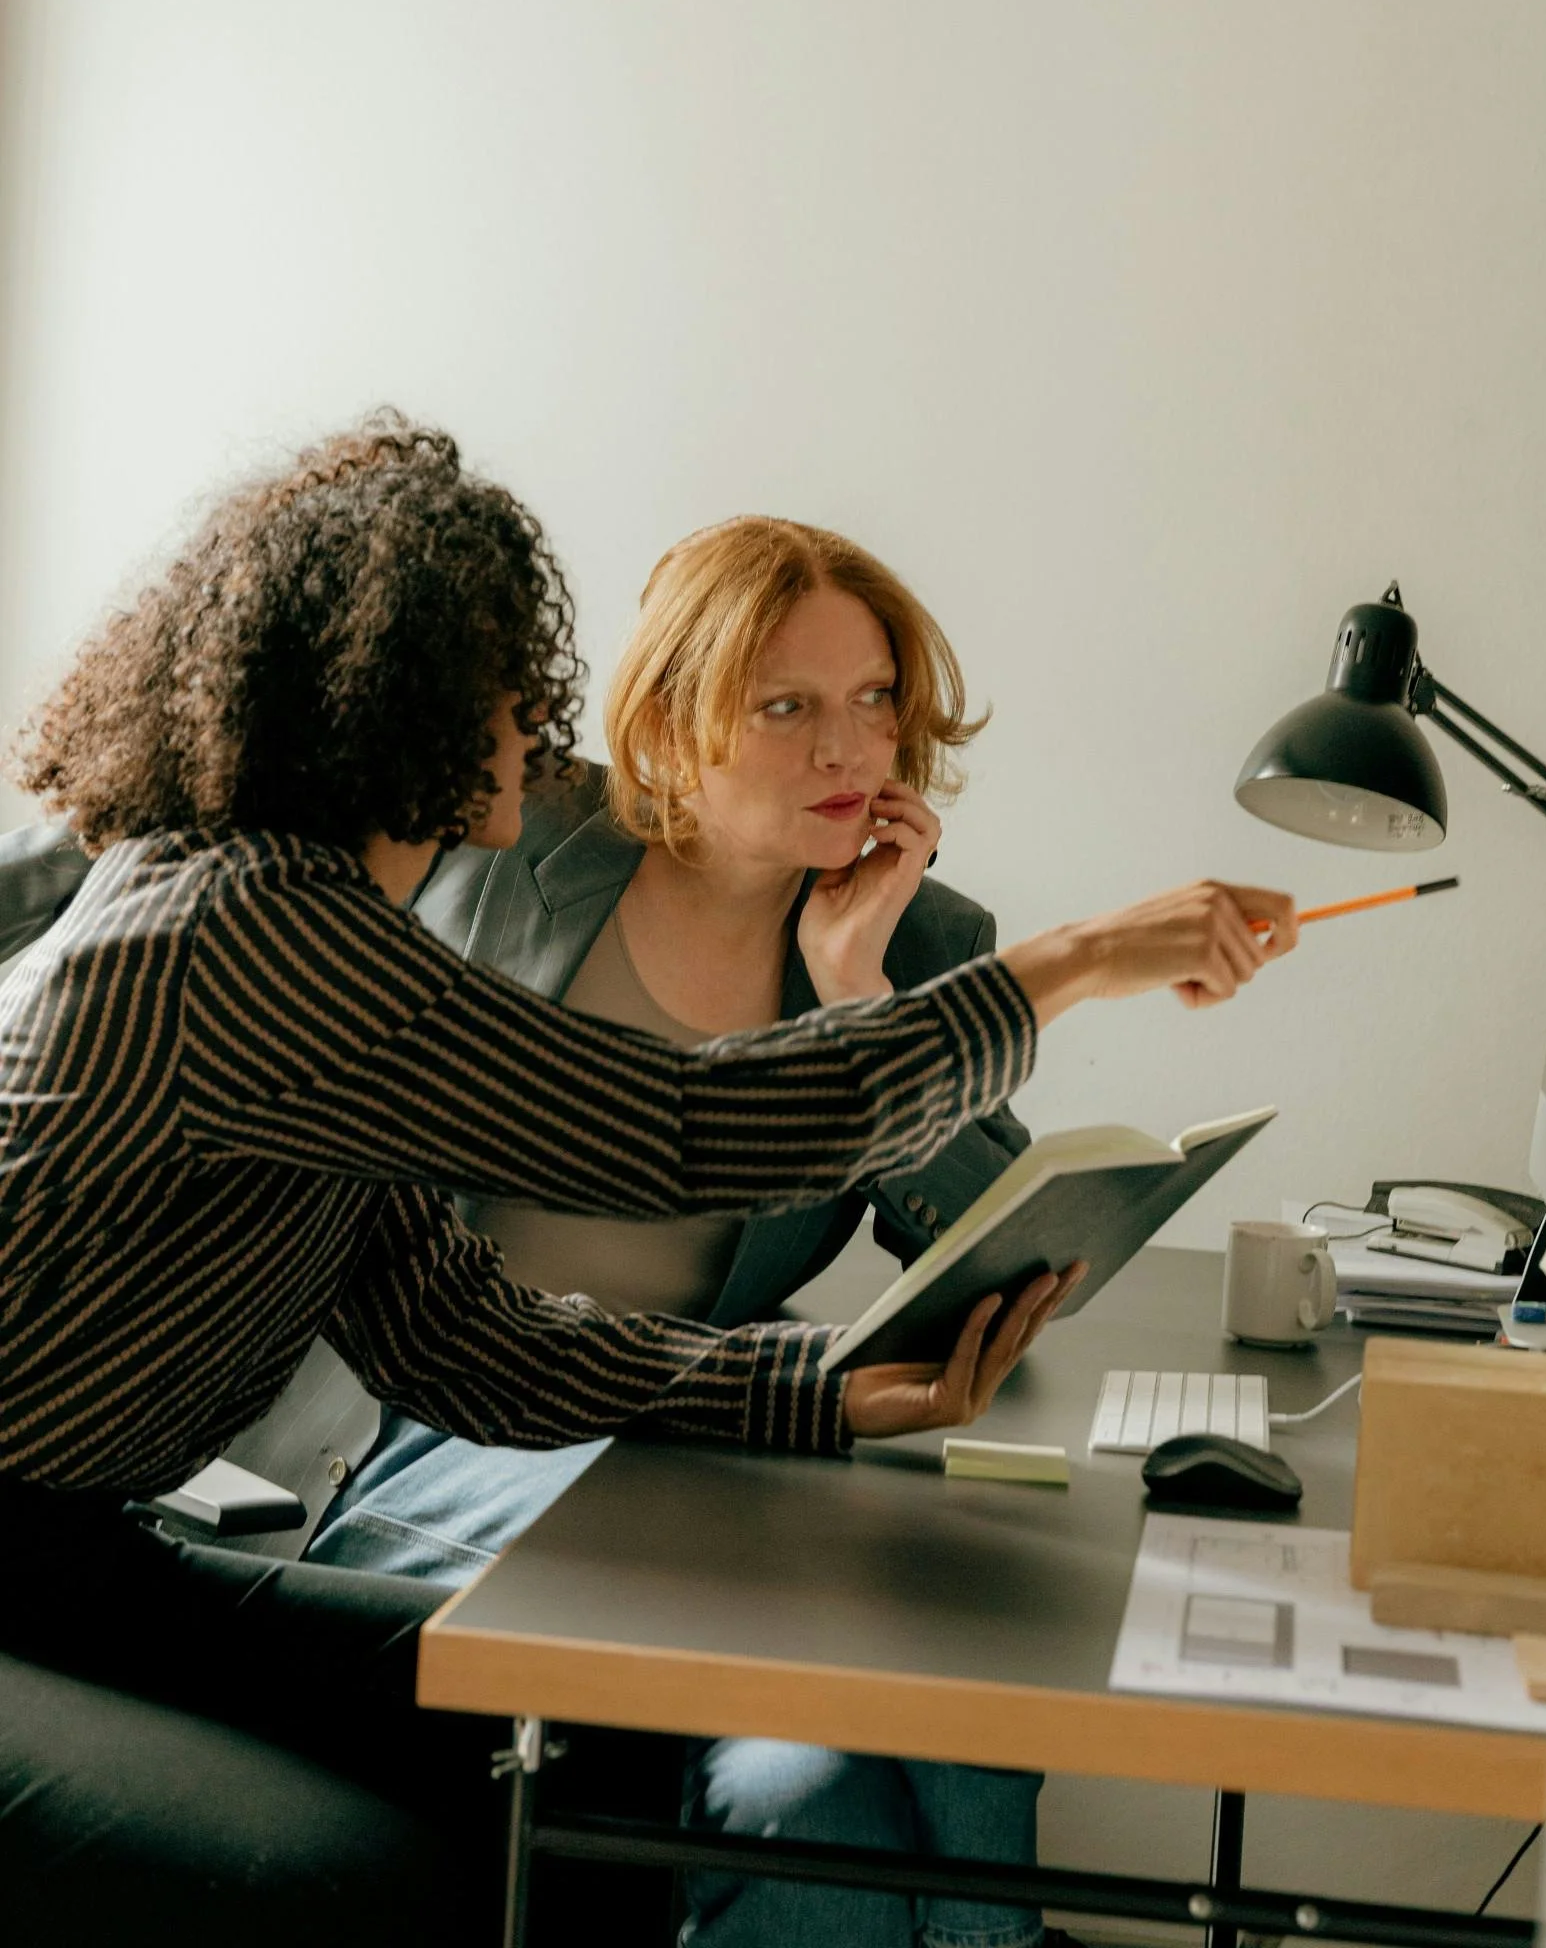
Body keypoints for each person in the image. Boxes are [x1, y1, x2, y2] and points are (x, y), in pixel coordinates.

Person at [0, 421, 1296, 1946]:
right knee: (349, 1874)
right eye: (507, 683)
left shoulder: (315, 933)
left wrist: (809, 1393)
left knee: (587, 1751)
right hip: (27, 1564)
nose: (545, 719)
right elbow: (675, 1128)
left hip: (84, 1558)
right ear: (393, 699)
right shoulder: (258, 934)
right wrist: (1075, 964)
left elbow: (452, 1331)